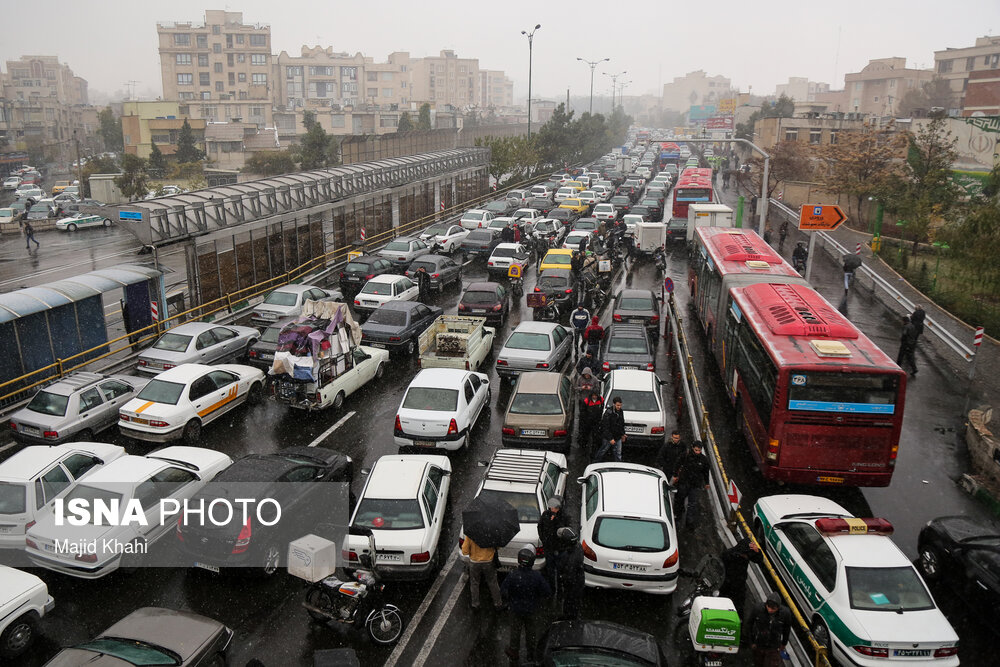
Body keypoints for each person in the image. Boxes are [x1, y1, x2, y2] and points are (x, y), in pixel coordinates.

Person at [501, 546, 552, 664]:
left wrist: (511, 598)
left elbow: (503, 591)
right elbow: (547, 592)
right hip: (531, 609)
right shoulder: (537, 577)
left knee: (515, 631)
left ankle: (514, 652)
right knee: (531, 632)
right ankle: (531, 653)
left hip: (515, 609)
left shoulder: (513, 575)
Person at [719, 537, 764, 615]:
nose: (747, 557)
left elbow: (758, 560)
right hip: (726, 583)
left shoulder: (745, 554)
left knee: (739, 607)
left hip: (739, 584)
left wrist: (757, 552)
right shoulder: (728, 555)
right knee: (722, 603)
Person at [746, 593, 792, 667]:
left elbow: (787, 629)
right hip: (759, 644)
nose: (770, 610)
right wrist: (751, 641)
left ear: (778, 608)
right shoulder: (758, 609)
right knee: (758, 663)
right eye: (768, 607)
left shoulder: (785, 614)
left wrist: (784, 643)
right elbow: (749, 624)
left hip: (774, 646)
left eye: (773, 609)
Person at [672, 441, 710, 528]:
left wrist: (707, 482)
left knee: (692, 504)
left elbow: (706, 472)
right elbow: (677, 464)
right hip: (684, 482)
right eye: (696, 450)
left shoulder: (704, 460)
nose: (697, 452)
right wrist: (675, 475)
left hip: (695, 485)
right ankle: (678, 517)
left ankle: (689, 521)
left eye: (699, 451)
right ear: (692, 448)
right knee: (680, 500)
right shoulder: (685, 455)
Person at [462, 534, 503, 611]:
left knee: (474, 583)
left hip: (474, 563)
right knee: (493, 582)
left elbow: (464, 551)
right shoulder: (491, 533)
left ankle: (475, 604)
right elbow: (498, 547)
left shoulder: (471, 534)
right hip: (489, 562)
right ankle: (498, 604)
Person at [537, 496, 569, 587]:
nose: (553, 509)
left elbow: (565, 530)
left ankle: (559, 587)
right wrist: (544, 539)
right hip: (549, 548)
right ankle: (551, 587)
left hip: (560, 549)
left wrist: (555, 521)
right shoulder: (546, 514)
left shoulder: (564, 517)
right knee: (550, 570)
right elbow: (540, 527)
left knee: (560, 571)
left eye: (555, 507)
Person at [555, 527, 585, 620]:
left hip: (573, 584)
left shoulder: (568, 555)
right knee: (574, 601)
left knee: (570, 601)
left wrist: (562, 578)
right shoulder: (578, 547)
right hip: (578, 581)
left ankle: (570, 619)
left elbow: (569, 573)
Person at [595, 396, 626, 462]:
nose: (619, 407)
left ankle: (617, 465)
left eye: (620, 405)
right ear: (614, 404)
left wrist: (623, 434)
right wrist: (610, 438)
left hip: (617, 436)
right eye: (618, 405)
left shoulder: (620, 412)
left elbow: (621, 424)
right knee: (603, 451)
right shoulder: (609, 412)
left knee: (618, 453)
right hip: (608, 437)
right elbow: (605, 426)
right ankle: (596, 462)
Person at [580, 390, 604, 457]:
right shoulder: (587, 401)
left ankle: (593, 452)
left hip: (596, 422)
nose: (594, 397)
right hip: (588, 422)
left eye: (595, 395)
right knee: (585, 436)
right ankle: (584, 450)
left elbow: (602, 408)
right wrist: (585, 420)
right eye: (593, 395)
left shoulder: (601, 400)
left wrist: (599, 418)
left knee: (595, 437)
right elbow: (582, 411)